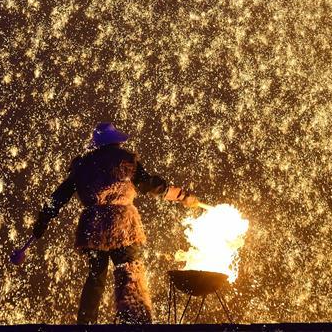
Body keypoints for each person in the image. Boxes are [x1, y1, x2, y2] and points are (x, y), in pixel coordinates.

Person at [13, 122, 199, 324]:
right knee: (129, 272)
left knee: (95, 277)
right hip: (123, 227)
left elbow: (59, 197)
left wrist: (42, 221)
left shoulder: (82, 166)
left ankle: (85, 324)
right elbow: (150, 185)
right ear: (116, 142)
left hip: (93, 228)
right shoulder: (127, 161)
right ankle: (134, 322)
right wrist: (182, 196)